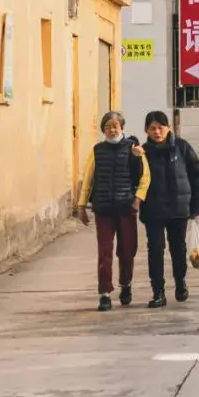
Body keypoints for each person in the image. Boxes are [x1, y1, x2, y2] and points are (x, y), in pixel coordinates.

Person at [76, 110, 150, 311]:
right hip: (104, 209)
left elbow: (145, 176)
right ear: (103, 130)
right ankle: (104, 293)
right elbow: (88, 179)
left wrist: (138, 199)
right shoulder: (97, 150)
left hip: (126, 208)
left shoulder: (134, 149)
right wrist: (81, 205)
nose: (111, 129)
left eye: (115, 126)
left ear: (122, 128)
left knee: (127, 251)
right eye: (107, 126)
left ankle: (126, 284)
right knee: (105, 253)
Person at [140, 111, 199, 309]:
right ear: (146, 130)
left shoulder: (182, 147)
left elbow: (196, 176)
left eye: (161, 127)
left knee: (178, 249)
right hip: (153, 210)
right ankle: (158, 292)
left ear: (168, 128)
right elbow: (135, 178)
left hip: (178, 209)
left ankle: (180, 283)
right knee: (155, 251)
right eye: (152, 128)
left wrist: (197, 205)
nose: (157, 132)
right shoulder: (142, 152)